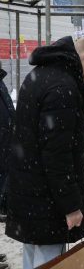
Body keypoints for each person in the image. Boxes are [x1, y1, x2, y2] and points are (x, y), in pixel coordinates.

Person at [5, 36, 84, 268]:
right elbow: (57, 155)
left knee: (33, 256)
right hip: (48, 199)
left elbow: (66, 117)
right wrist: (71, 207)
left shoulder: (42, 75)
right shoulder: (62, 86)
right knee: (50, 260)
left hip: (30, 191)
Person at [0, 61, 15, 223]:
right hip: (3, 134)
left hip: (6, 134)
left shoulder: (1, 81)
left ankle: (4, 205)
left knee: (6, 171)